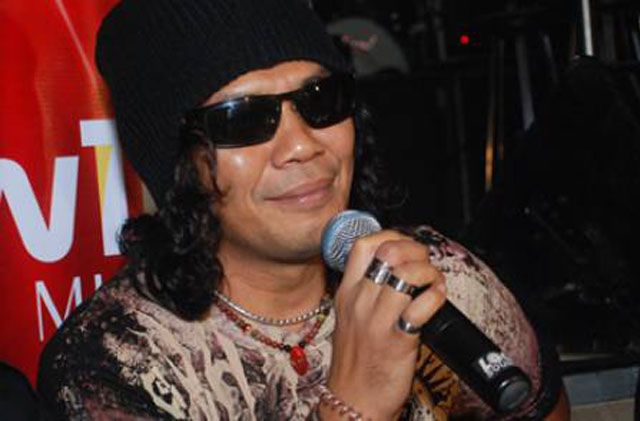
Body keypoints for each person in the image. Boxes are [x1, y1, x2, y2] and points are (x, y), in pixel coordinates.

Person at [37, 0, 569, 419]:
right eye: (244, 119)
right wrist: (353, 404)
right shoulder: (114, 364)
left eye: (320, 99)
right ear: (178, 164)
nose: (302, 145)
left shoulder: (434, 275)